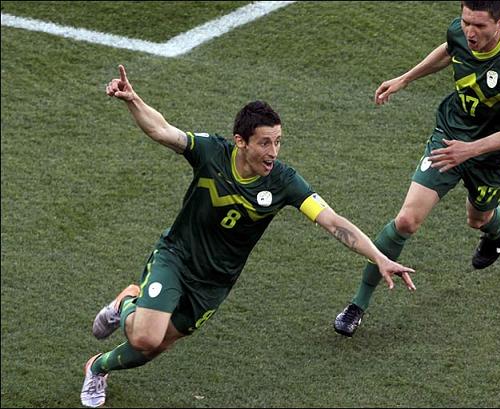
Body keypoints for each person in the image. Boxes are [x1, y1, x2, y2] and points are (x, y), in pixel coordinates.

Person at [80, 64, 416, 407]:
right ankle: (127, 302)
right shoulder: (212, 153)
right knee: (145, 337)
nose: (273, 152)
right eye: (265, 143)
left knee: (157, 345)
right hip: (177, 258)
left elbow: (333, 222)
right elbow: (163, 130)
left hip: (214, 283)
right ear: (241, 141)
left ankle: (97, 367)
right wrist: (133, 100)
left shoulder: (284, 181)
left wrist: (378, 256)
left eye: (278, 142)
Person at [333, 0, 500, 337]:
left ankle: (499, 225)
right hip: (450, 136)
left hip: (492, 157)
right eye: (466, 22)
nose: (470, 32)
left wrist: (469, 151)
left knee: (478, 219)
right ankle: (358, 304)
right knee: (406, 221)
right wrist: (405, 79)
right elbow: (448, 50)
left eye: (480, 26)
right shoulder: (460, 33)